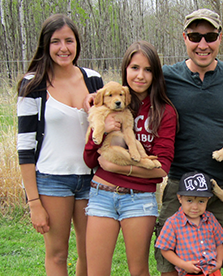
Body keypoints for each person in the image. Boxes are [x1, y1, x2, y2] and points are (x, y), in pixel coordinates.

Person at [154, 8, 223, 276]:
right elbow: (135, 99)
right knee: (170, 262)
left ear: (220, 38)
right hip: (180, 183)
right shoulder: (166, 77)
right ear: (185, 38)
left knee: (215, 263)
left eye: (210, 36)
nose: (203, 44)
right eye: (195, 36)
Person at [16, 14, 103, 275]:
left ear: (77, 44)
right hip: (52, 180)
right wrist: (34, 203)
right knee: (57, 254)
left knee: (90, 253)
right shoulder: (32, 84)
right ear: (46, 45)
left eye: (69, 40)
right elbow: (25, 148)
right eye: (56, 41)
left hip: (91, 179)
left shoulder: (93, 79)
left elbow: (106, 126)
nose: (63, 48)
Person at [83, 40, 177, 276]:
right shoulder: (110, 101)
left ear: (156, 74)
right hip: (101, 194)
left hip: (139, 198)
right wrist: (102, 128)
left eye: (148, 69)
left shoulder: (165, 112)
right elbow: (90, 159)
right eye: (134, 67)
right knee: (96, 271)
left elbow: (161, 168)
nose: (140, 76)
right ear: (125, 69)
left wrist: (117, 167)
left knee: (138, 271)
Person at [155, 172, 223, 276]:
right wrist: (183, 264)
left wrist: (219, 262)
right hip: (189, 272)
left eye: (201, 201)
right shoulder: (173, 223)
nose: (195, 207)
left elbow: (219, 243)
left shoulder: (210, 219)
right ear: (180, 198)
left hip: (212, 272)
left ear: (208, 200)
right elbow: (165, 249)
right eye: (189, 200)